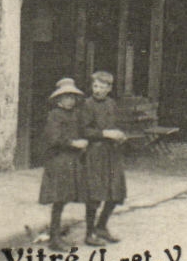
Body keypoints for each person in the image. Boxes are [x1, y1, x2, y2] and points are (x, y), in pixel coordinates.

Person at [38, 78, 89, 251]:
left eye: (72, 97)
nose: (70, 100)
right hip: (58, 160)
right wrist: (74, 143)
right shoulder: (55, 115)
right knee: (58, 199)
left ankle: (56, 234)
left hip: (71, 160)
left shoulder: (75, 114)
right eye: (66, 97)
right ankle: (54, 238)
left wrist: (83, 141)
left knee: (65, 197)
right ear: (59, 99)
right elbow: (54, 138)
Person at [79, 71, 128, 245]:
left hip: (112, 153)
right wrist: (105, 133)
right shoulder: (87, 105)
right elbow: (84, 130)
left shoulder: (111, 104)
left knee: (115, 192)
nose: (97, 90)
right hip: (95, 153)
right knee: (95, 193)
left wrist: (120, 134)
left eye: (101, 87)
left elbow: (114, 125)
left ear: (109, 88)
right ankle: (89, 234)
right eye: (95, 86)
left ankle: (101, 226)